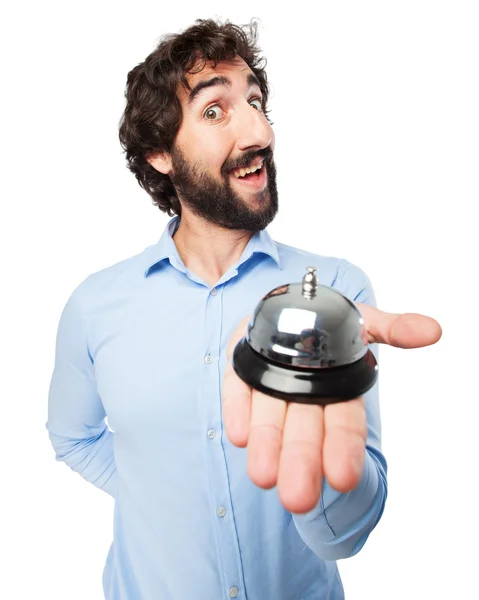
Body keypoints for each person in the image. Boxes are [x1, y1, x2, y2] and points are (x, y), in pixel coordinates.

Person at [46, 18, 442, 600]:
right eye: (215, 110)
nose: (258, 129)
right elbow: (72, 437)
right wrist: (159, 492)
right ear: (160, 153)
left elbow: (346, 537)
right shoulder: (95, 306)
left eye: (256, 101)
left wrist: (317, 418)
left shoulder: (334, 291)